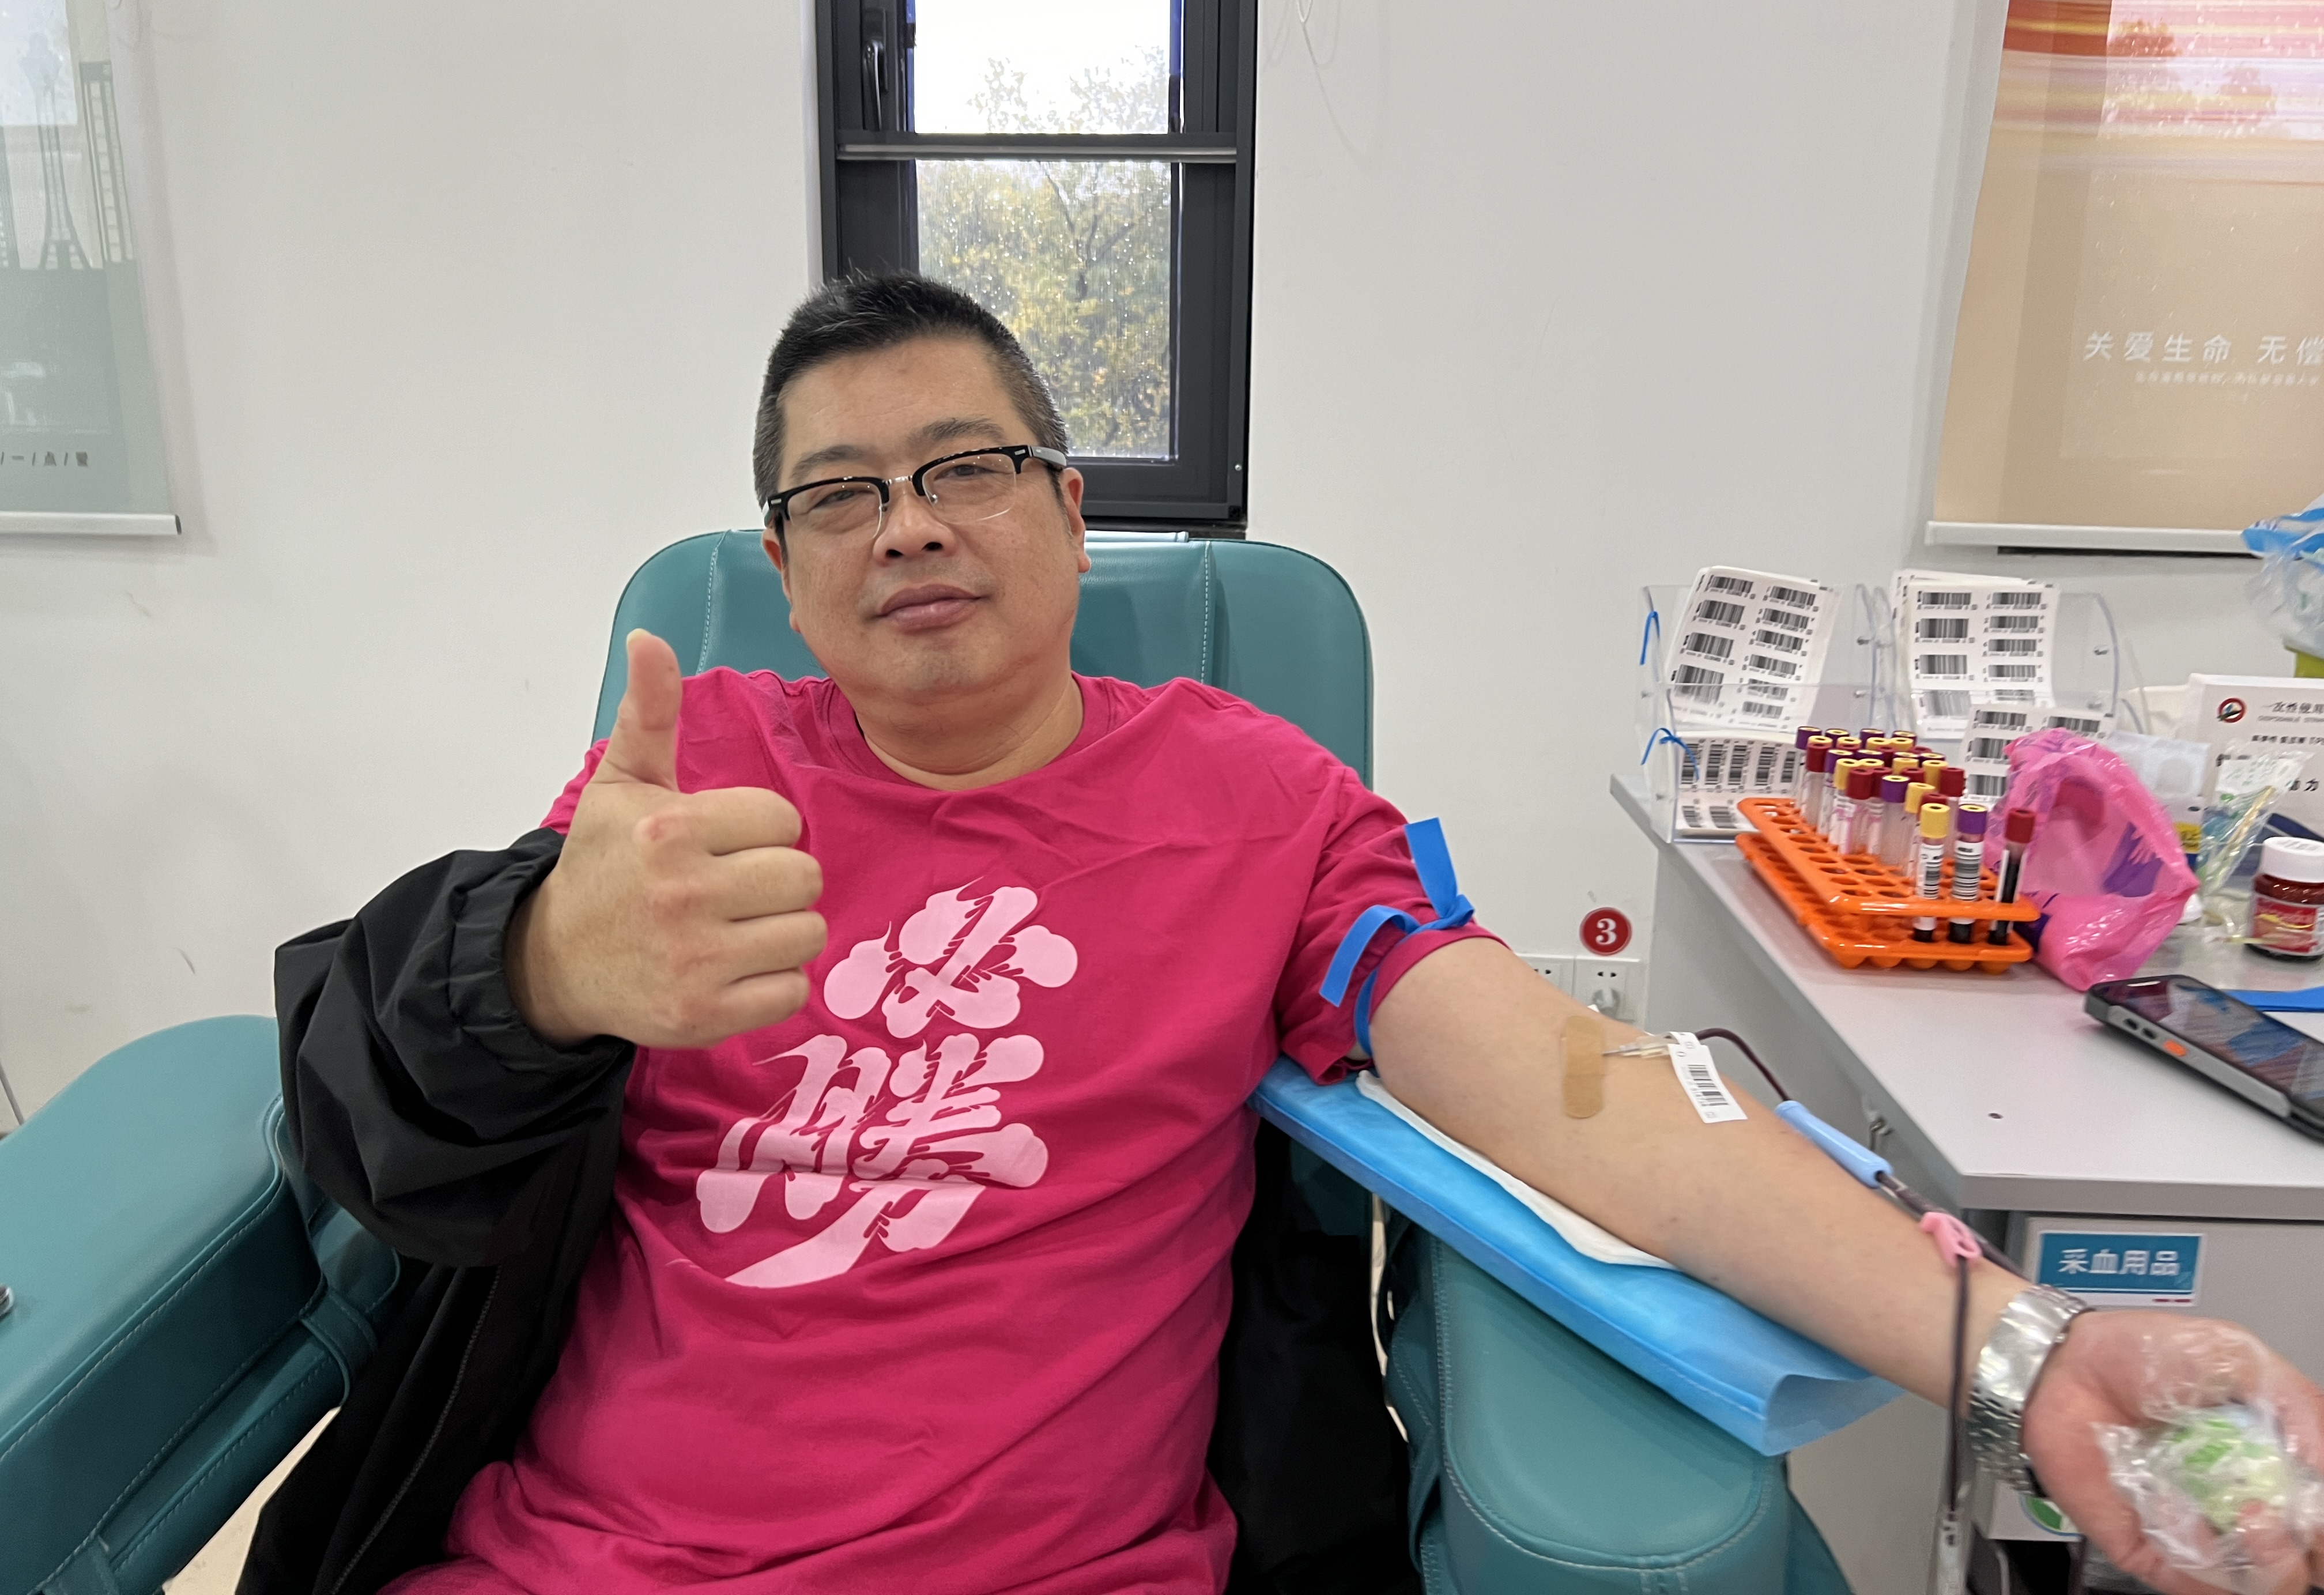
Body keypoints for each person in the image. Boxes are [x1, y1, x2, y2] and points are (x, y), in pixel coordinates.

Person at [251, 274, 2324, 1595]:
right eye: (839, 495)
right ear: (783, 575)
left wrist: (2031, 1355)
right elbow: (381, 1085)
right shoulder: (686, 767)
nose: (909, 522)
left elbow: (1587, 1093)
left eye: (966, 465)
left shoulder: (1258, 806)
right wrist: (543, 967)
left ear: (1072, 511)